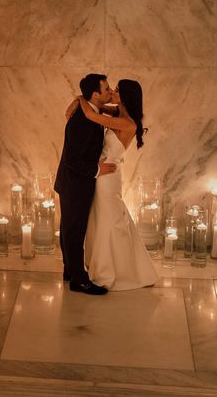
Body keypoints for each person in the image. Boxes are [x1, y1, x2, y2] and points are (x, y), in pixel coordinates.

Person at [70, 79, 159, 290]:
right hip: (101, 174)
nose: (113, 93)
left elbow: (92, 114)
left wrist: (81, 98)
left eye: (117, 91)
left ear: (126, 96)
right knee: (103, 221)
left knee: (109, 224)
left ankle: (109, 272)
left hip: (107, 179)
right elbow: (97, 106)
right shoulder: (118, 113)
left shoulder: (128, 123)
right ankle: (101, 265)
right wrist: (79, 100)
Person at [54, 74, 116, 296]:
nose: (110, 92)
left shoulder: (92, 110)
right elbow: (73, 160)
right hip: (74, 183)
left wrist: (79, 98)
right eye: (107, 89)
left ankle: (70, 270)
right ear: (96, 95)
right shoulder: (81, 120)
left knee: (71, 228)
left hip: (76, 182)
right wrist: (98, 170)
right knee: (73, 230)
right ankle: (78, 279)